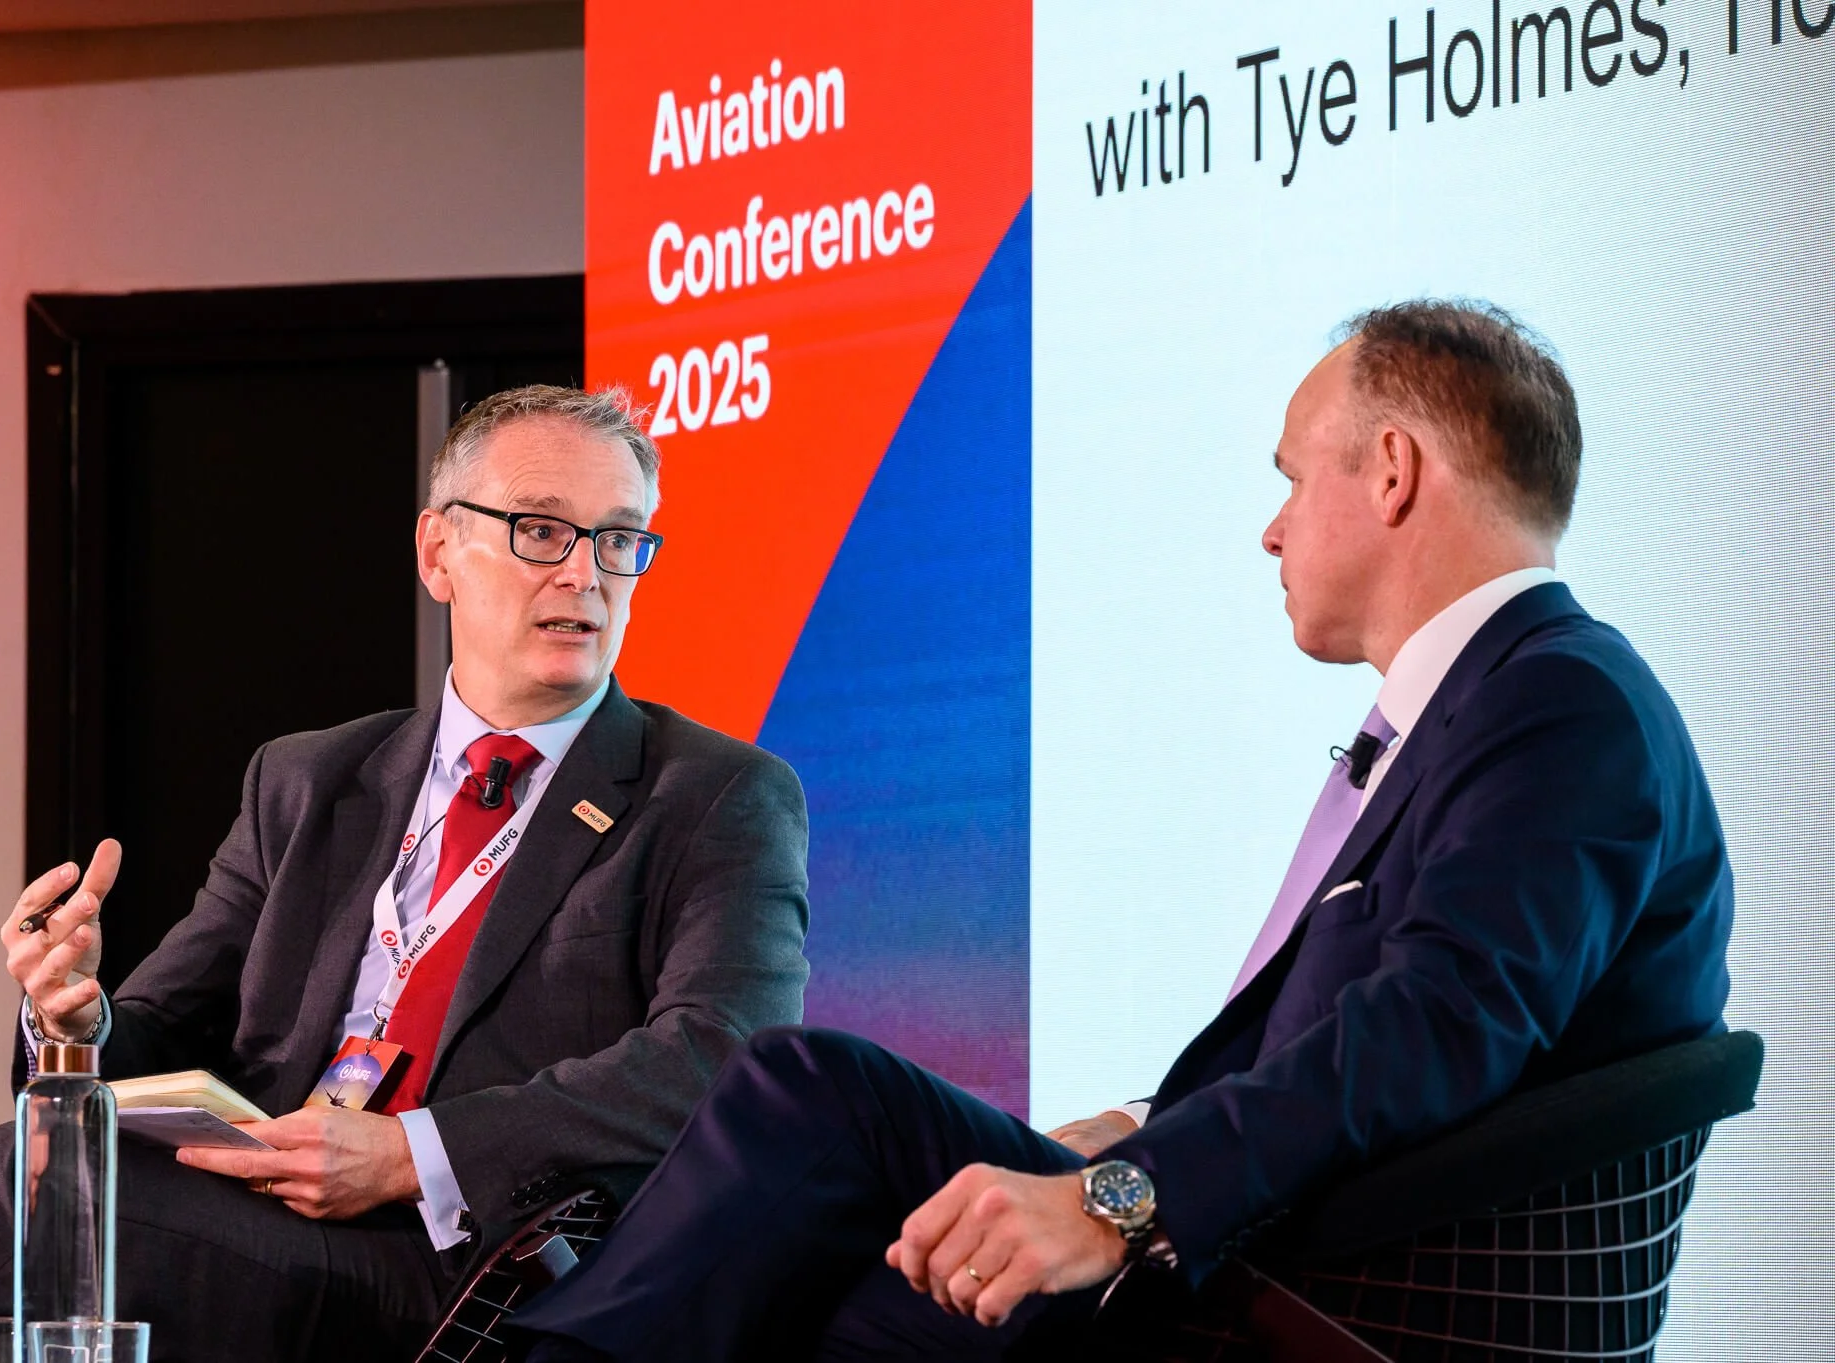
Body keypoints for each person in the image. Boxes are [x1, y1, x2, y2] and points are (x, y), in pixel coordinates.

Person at [508, 301, 1735, 1362]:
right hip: (1267, 1234)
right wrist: (1149, 1126)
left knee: (814, 1109)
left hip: (1327, 1287)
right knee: (830, 1222)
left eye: (1290, 477)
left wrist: (1119, 1198)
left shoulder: (1558, 706)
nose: (1271, 526)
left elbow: (1434, 1028)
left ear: (1395, 472)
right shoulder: (1507, 699)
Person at [0, 386, 812, 1363]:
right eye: (542, 531)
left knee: (6, 1180)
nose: (584, 574)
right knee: (36, 1161)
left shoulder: (713, 797)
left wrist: (413, 1153)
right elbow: (160, 1026)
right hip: (258, 1213)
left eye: (618, 539)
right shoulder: (309, 778)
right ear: (437, 552)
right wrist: (72, 1023)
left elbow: (719, 1058)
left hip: (472, 1272)